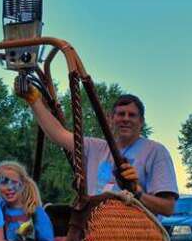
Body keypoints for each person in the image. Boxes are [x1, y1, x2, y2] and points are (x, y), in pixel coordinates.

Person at [15, 82, 178, 217]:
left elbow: (167, 209)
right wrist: (34, 100)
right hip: (96, 230)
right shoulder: (96, 147)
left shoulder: (155, 151)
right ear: (111, 118)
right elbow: (57, 133)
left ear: (141, 121)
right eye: (121, 114)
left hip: (134, 235)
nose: (126, 119)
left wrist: (137, 192)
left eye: (132, 115)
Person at [0, 161, 55, 241]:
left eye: (14, 182)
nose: (9, 187)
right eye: (3, 182)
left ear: (23, 184)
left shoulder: (35, 212)